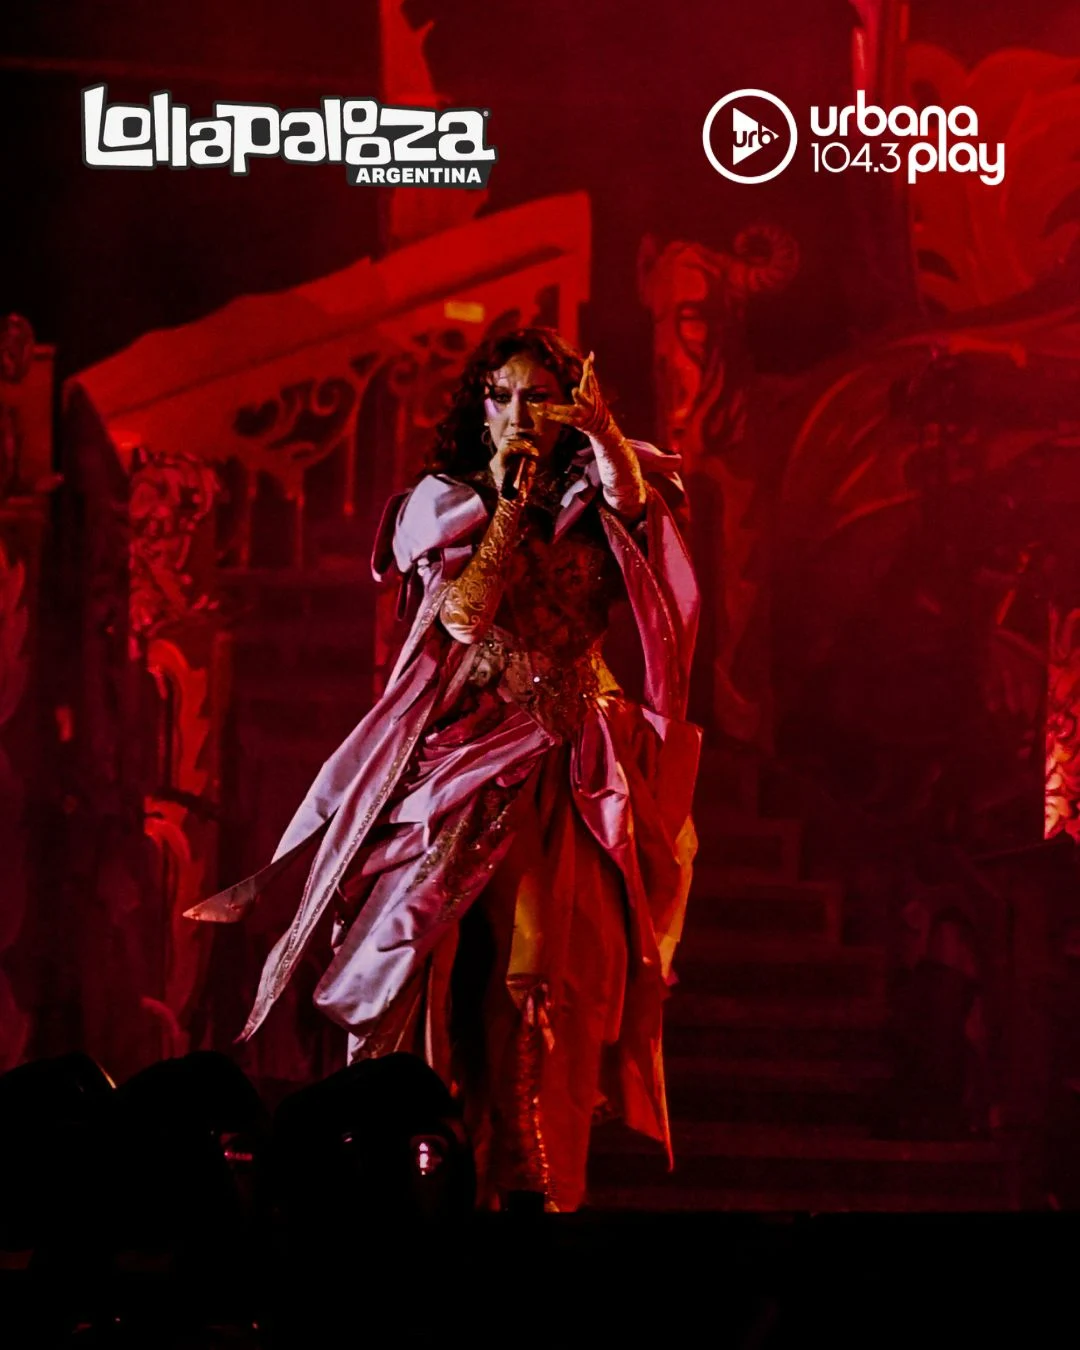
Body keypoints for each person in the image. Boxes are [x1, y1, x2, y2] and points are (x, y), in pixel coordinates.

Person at [187, 327, 701, 1211]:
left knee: (547, 971)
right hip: (473, 752)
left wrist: (602, 433)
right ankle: (422, 1161)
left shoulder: (599, 490)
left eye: (539, 398)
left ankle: (532, 1170)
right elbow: (463, 618)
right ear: (480, 408)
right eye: (502, 397)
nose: (519, 414)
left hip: (574, 758)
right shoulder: (449, 502)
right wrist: (509, 502)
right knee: (430, 950)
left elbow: (640, 514)